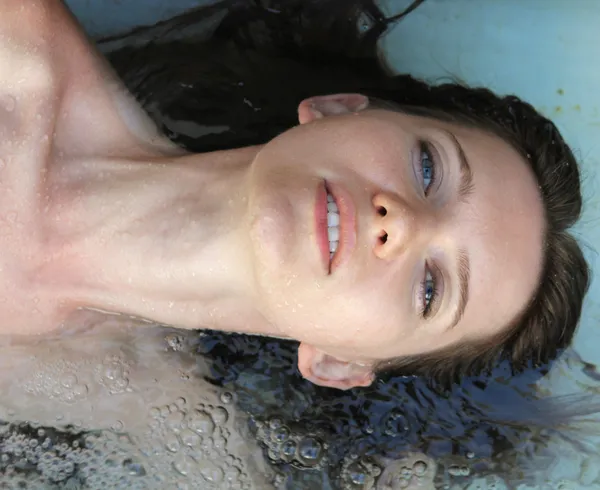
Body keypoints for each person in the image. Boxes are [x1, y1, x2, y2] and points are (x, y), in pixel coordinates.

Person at [0, 0, 589, 393]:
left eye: (431, 289)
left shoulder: (127, 401)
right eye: (428, 168)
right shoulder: (20, 54)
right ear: (339, 108)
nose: (400, 223)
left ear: (340, 364)